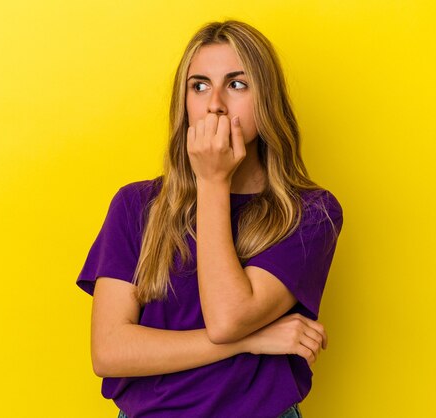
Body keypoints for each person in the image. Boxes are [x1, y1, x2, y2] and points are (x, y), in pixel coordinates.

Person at [76, 19, 344, 418]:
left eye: (237, 84)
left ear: (266, 99)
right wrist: (250, 342)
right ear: (183, 102)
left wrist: (213, 181)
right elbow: (110, 352)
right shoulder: (136, 205)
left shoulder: (309, 213)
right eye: (199, 86)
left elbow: (228, 318)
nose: (214, 103)